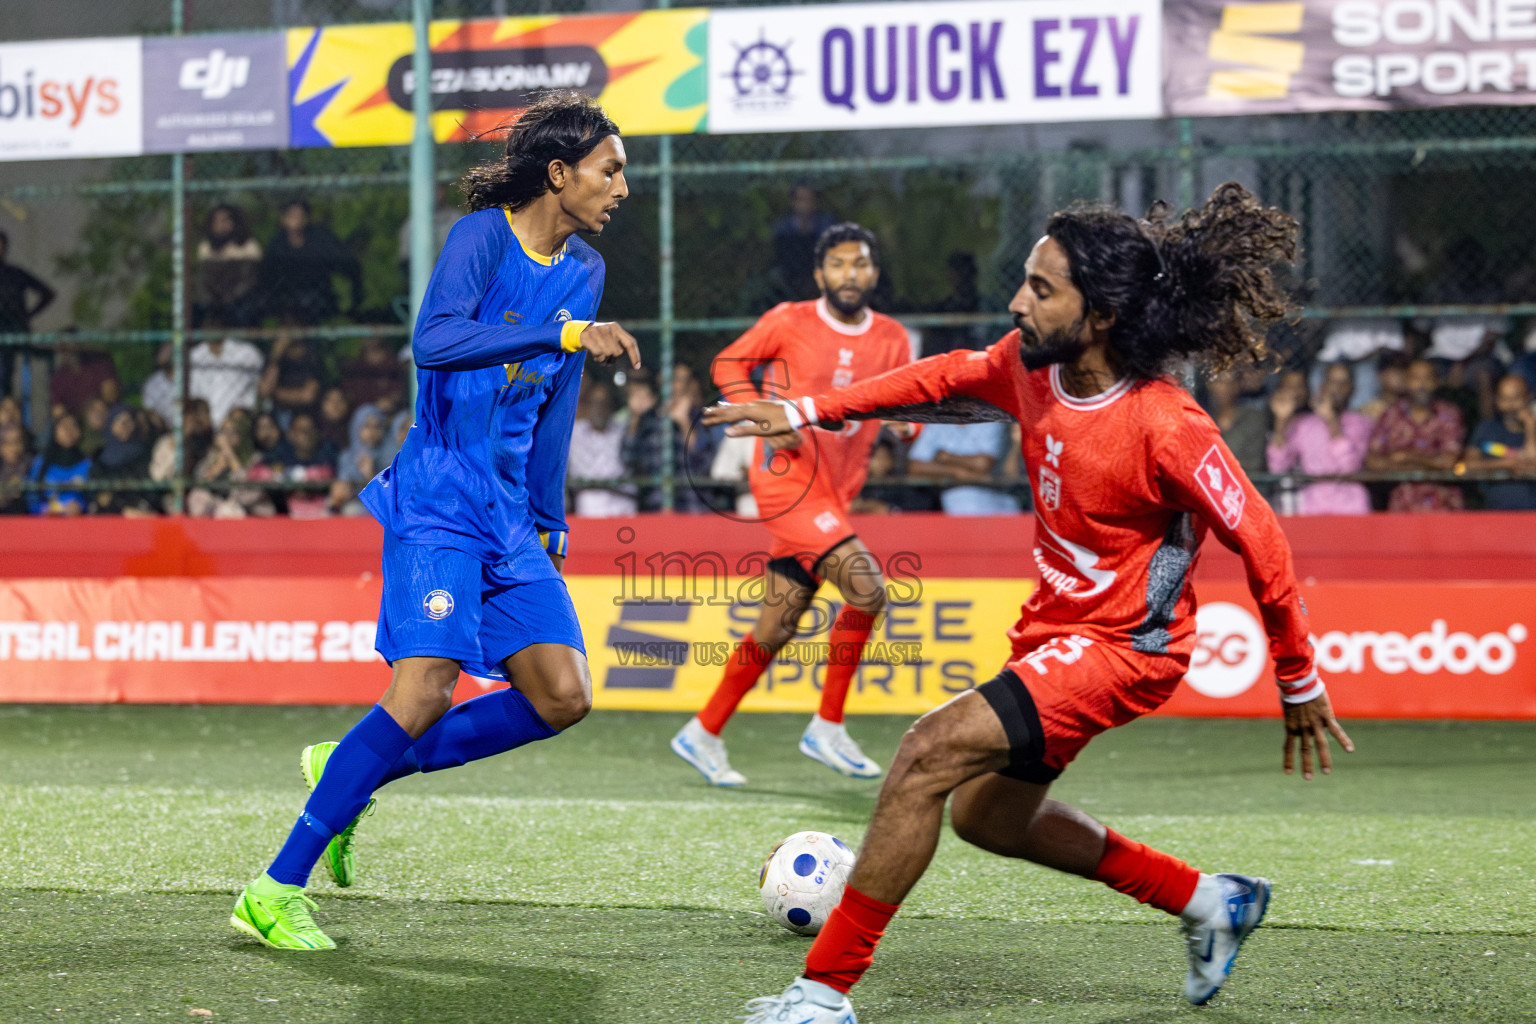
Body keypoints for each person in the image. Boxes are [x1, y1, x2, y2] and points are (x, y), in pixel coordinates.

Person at [707, 183, 1353, 1023]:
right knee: (989, 819)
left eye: (1042, 289)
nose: (1018, 301)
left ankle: (822, 993)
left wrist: (1298, 680)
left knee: (924, 754)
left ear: (1103, 314)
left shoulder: (1168, 424)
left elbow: (1261, 539)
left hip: (1127, 649)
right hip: (1054, 634)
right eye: (1025, 279)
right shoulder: (1030, 367)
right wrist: (802, 408)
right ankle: (1212, 901)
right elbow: (940, 378)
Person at [229, 91, 638, 951]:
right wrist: (563, 337)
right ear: (559, 174)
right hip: (440, 498)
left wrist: (549, 514)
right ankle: (272, 888)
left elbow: (555, 402)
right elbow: (436, 340)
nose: (622, 187)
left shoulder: (586, 270)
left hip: (509, 514)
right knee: (424, 689)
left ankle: (352, 769)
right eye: (611, 169)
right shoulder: (483, 237)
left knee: (563, 697)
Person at [670, 223, 913, 788]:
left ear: (874, 273)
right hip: (787, 483)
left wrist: (907, 428)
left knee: (775, 627)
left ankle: (703, 731)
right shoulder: (789, 319)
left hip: (837, 493)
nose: (849, 274)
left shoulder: (895, 338)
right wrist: (759, 413)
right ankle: (827, 726)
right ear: (819, 274)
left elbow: (905, 407)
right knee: (868, 588)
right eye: (838, 264)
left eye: (860, 263)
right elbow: (729, 365)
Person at [1266, 362, 1372, 515]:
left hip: (1351, 508)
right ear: (1323, 386)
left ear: (1352, 388)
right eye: (1332, 382)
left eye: (1343, 383)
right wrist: (1281, 421)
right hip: (1312, 507)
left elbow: (1349, 467)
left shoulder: (1362, 423)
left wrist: (1331, 420)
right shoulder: (1305, 424)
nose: (1337, 388)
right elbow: (1277, 466)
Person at [1366, 358, 1466, 511]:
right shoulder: (1391, 415)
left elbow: (1449, 462)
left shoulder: (1449, 414)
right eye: (1415, 378)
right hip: (1402, 505)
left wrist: (1408, 457)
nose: (1421, 384)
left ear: (1437, 382)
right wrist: (1420, 465)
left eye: (1428, 378)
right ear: (1406, 382)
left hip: (1442, 506)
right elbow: (1372, 460)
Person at [261, 199, 363, 325]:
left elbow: (348, 263)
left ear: (307, 217)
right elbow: (269, 278)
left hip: (321, 297)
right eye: (292, 216)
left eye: (300, 215)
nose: (296, 220)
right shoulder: (276, 245)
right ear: (283, 218)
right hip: (290, 301)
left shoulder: (321, 238)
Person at [906, 420, 1022, 515]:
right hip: (955, 513)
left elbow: (983, 465)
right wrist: (957, 472)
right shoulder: (937, 422)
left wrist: (945, 457)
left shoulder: (992, 420)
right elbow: (916, 467)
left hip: (998, 513)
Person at [1463, 374, 1536, 510]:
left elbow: (1533, 460)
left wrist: (1530, 426)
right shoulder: (1486, 429)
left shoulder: (1533, 428)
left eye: (1516, 398)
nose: (1511, 405)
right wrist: (1506, 464)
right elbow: (1466, 466)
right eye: (1505, 399)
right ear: (1496, 400)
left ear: (1529, 397)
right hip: (1497, 511)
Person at [567, 376, 635, 517]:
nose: (600, 408)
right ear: (587, 405)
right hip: (590, 510)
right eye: (595, 403)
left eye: (604, 403)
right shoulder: (574, 433)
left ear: (611, 406)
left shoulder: (622, 429)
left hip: (623, 508)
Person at [0, 230, 56, 400]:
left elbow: (48, 293)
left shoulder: (15, 273)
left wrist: (28, 315)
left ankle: (5, 400)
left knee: (5, 370)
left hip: (15, 331)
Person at [189, 318, 265, 429]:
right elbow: (193, 394)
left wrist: (245, 410)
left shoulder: (246, 353)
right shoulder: (194, 356)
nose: (211, 328)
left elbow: (261, 385)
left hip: (239, 419)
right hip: (203, 422)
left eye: (214, 324)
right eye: (208, 325)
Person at [196, 204, 263, 327]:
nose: (220, 225)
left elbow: (249, 281)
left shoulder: (248, 247)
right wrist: (212, 302)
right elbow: (204, 282)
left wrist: (229, 301)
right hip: (213, 303)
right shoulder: (206, 248)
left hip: (239, 302)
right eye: (216, 221)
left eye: (225, 220)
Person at [771, 183, 837, 303]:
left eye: (809, 199)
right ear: (793, 202)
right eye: (801, 199)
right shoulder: (783, 228)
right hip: (791, 275)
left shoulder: (827, 225)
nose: (805, 204)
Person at [89, 406, 157, 515]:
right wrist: (122, 508)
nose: (124, 426)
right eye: (119, 421)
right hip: (111, 513)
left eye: (128, 421)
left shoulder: (144, 454)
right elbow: (99, 494)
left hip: (140, 511)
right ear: (110, 425)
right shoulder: (99, 456)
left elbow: (150, 492)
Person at [27, 412, 91, 516]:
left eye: (74, 426)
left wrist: (80, 506)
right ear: (54, 430)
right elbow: (31, 495)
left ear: (80, 432)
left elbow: (91, 497)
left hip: (78, 522)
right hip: (45, 522)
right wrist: (46, 509)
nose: (69, 431)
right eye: (64, 426)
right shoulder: (41, 462)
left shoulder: (86, 463)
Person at [0, 423, 32, 514]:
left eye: (17, 441)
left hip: (26, 517)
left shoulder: (33, 464)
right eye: (8, 443)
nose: (13, 448)